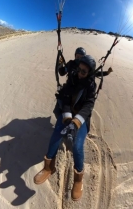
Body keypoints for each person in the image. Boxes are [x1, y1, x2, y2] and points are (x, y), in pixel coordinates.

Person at [34, 55, 97, 201]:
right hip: (68, 116)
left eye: (83, 71)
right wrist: (67, 119)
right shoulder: (72, 79)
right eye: (79, 69)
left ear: (89, 74)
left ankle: (78, 178)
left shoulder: (91, 87)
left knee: (77, 146)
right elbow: (66, 99)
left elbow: (88, 106)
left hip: (81, 120)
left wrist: (74, 124)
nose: (80, 73)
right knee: (56, 135)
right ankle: (49, 167)